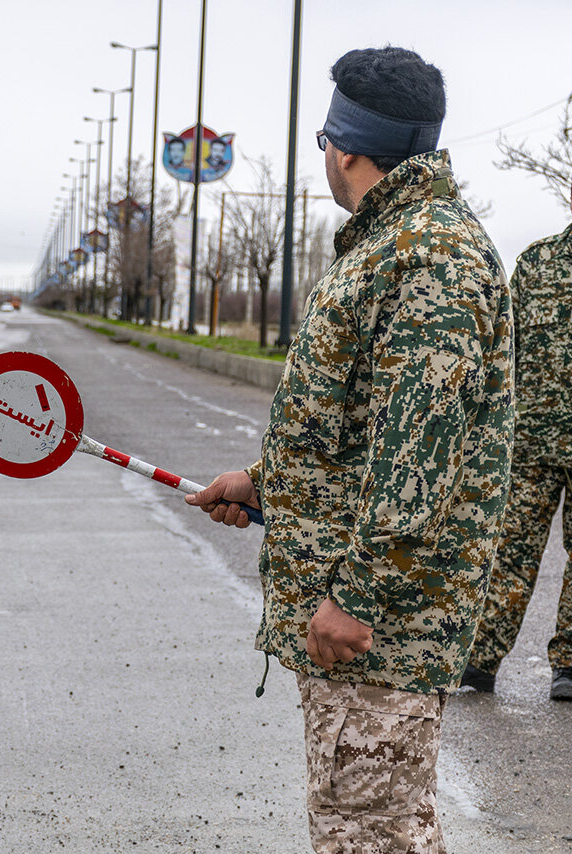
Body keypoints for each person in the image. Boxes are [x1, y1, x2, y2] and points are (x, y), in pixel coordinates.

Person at [185, 46, 513, 852]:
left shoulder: (429, 253)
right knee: (385, 829)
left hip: (379, 628)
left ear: (344, 146)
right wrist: (266, 484)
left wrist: (359, 597)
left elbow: (418, 455)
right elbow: (363, 423)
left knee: (369, 836)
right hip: (364, 614)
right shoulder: (394, 243)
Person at [462, 199, 572, 701]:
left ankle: (569, 666)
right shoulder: (537, 263)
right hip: (530, 442)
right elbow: (501, 346)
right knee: (509, 551)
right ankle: (480, 658)